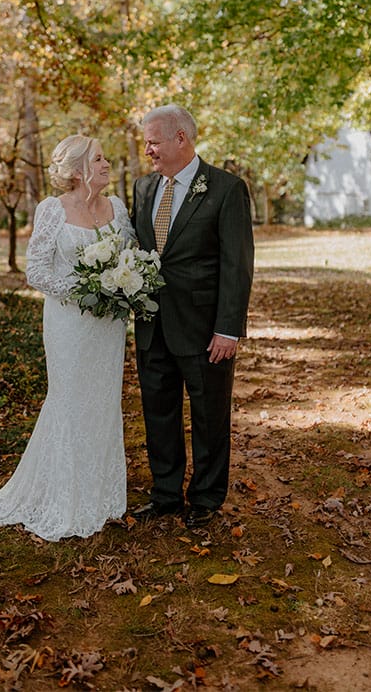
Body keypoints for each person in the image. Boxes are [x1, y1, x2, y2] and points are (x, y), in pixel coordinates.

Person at [0, 134, 135, 541]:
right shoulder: (52, 209)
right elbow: (35, 270)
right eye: (100, 159)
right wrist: (84, 292)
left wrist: (120, 287)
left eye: (106, 158)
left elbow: (131, 257)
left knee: (103, 402)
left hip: (108, 326)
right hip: (69, 322)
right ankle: (65, 498)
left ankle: (101, 495)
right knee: (70, 401)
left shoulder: (117, 208)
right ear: (77, 169)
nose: (107, 165)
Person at [130, 105, 254, 529]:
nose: (148, 150)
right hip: (152, 325)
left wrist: (228, 329)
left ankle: (205, 496)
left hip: (205, 329)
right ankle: (165, 494)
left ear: (180, 138)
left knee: (209, 414)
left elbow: (237, 265)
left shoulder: (225, 188)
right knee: (157, 413)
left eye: (153, 141)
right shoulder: (143, 189)